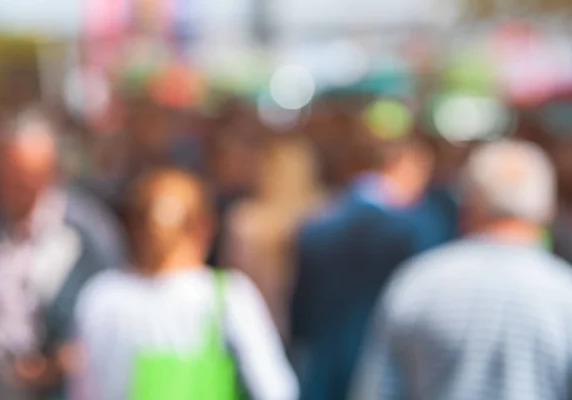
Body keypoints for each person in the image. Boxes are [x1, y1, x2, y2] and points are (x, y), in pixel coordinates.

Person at [350, 140, 572, 400]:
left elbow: (377, 390)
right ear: (547, 210)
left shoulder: (419, 283)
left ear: (469, 204)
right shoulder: (563, 293)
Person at [72, 169, 299, 400]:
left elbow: (81, 387)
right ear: (204, 227)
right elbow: (275, 389)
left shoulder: (99, 295)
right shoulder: (227, 296)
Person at [291, 101, 449, 400]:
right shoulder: (418, 229)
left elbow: (301, 316)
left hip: (325, 375)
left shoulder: (318, 225)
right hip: (392, 375)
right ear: (405, 164)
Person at [0, 111, 110, 399]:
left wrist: (65, 356)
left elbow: (108, 303)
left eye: (26, 180)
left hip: (58, 385)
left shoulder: (88, 231)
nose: (15, 190)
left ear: (49, 175)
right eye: (7, 177)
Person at [223, 135, 326, 339]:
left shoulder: (245, 221)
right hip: (311, 327)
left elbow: (234, 278)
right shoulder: (324, 215)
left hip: (258, 324)